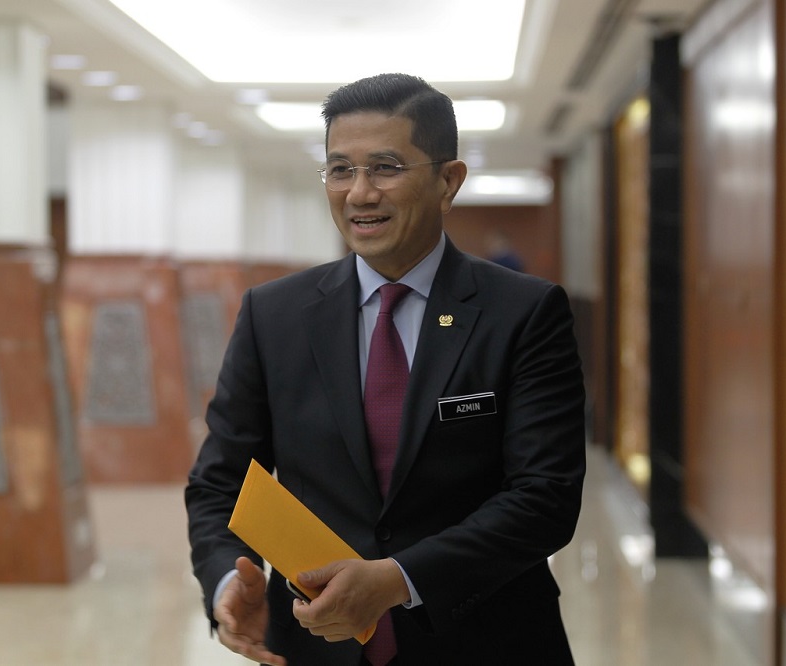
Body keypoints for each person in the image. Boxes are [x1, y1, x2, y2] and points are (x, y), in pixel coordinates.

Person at [186, 73, 586, 665]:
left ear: (448, 181)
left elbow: (545, 497)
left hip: (488, 642)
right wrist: (227, 577)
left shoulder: (524, 312)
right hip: (315, 645)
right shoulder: (274, 315)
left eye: (386, 168)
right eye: (340, 170)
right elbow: (220, 482)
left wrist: (399, 578)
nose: (359, 193)